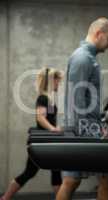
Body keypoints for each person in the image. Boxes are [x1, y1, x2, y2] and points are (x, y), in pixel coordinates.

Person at [56, 17, 108, 200]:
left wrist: (99, 125)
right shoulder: (83, 58)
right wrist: (93, 131)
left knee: (72, 181)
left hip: (83, 129)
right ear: (99, 34)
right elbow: (77, 103)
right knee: (106, 180)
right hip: (82, 132)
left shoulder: (86, 58)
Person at [0, 67, 63, 200]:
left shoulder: (50, 98)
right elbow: (40, 118)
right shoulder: (43, 98)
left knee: (56, 172)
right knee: (30, 173)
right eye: (57, 81)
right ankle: (5, 198)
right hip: (40, 143)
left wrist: (55, 127)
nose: (59, 84)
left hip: (47, 142)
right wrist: (52, 129)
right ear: (52, 81)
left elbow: (49, 118)